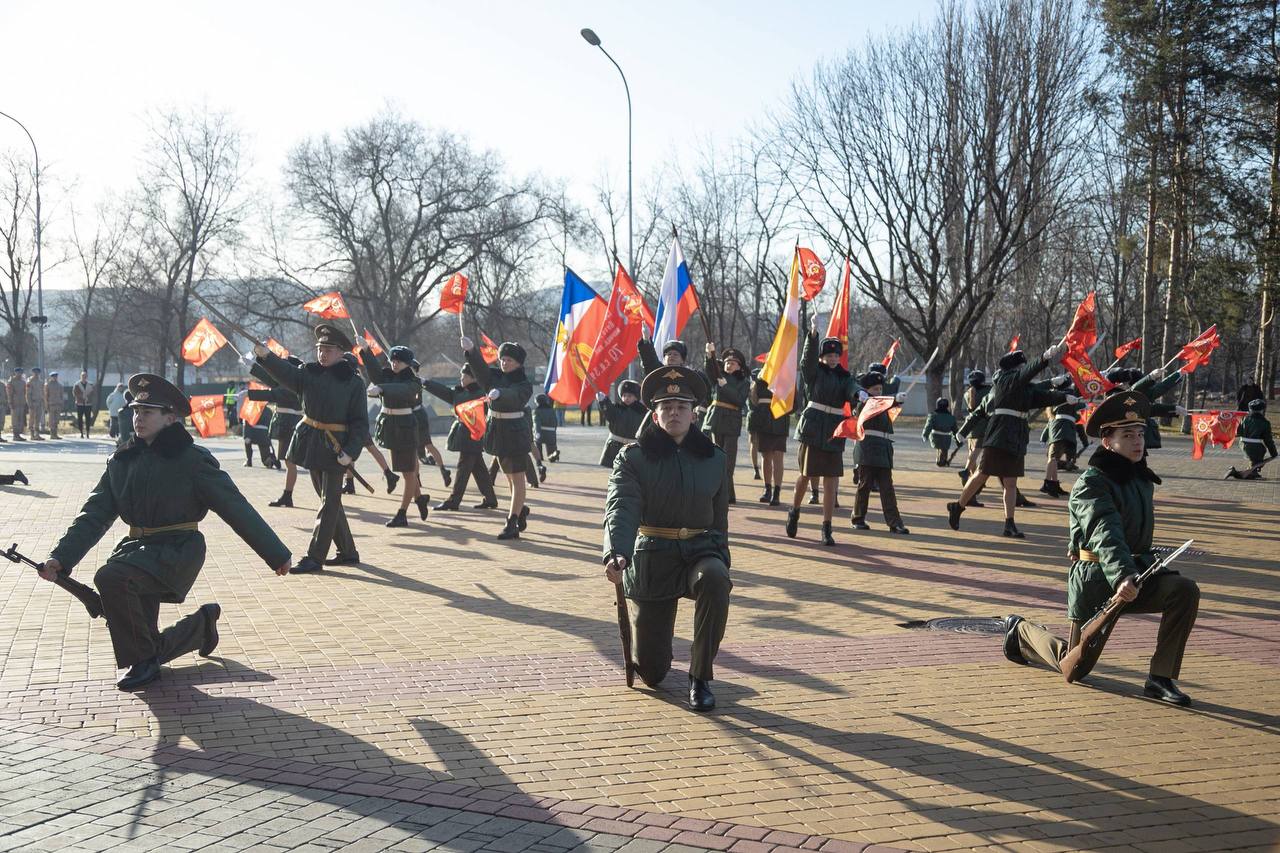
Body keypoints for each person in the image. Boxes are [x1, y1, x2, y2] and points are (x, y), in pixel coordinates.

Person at [37, 373, 291, 691]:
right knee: (145, 637)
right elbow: (94, 515)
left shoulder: (192, 460)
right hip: (137, 550)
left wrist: (276, 553)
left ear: (170, 418)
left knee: (111, 577)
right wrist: (60, 558)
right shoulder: (122, 460)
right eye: (135, 411)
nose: (138, 418)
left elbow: (234, 507)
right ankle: (199, 628)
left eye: (147, 412)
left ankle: (143, 665)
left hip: (177, 549)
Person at [1002, 390, 1200, 706]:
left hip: (1136, 576)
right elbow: (1103, 530)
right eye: (1127, 435)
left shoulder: (1141, 479)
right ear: (1107, 441)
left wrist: (1131, 572)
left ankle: (1160, 677)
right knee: (1074, 668)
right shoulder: (1092, 482)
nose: (1138, 441)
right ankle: (1021, 631)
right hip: (1098, 583)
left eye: (1140, 433)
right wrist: (1121, 575)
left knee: (1184, 590)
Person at [603, 365, 730, 712]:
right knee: (654, 673)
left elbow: (719, 521)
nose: (675, 413)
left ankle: (700, 677)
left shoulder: (715, 459)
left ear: (694, 413)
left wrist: (722, 557)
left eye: (682, 407)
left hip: (699, 552)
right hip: (652, 557)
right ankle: (657, 658)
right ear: (655, 415)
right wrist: (617, 552)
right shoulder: (634, 458)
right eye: (667, 407)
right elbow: (621, 508)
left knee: (716, 579)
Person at [253, 324, 370, 574]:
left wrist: (351, 451)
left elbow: (360, 423)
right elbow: (286, 374)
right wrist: (266, 357)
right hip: (311, 441)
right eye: (320, 348)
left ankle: (315, 557)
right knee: (329, 500)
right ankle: (348, 552)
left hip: (335, 446)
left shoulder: (353, 382)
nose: (322, 353)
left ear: (341, 352)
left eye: (328, 349)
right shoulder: (309, 372)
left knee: (329, 502)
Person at [948, 344, 1073, 538]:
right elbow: (979, 412)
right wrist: (1044, 358)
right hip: (999, 434)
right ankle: (958, 506)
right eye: (1020, 367)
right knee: (982, 474)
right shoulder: (1006, 381)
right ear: (1013, 369)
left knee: (1011, 483)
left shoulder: (1018, 388)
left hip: (1016, 437)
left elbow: (1039, 395)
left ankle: (1009, 524)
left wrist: (1064, 396)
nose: (1022, 370)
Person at [785, 322, 862, 546]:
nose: (832, 358)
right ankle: (794, 511)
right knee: (806, 476)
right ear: (822, 357)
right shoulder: (814, 373)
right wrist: (812, 335)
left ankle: (827, 528)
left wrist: (860, 395)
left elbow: (852, 388)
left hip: (833, 431)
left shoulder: (845, 377)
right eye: (828, 355)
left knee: (831, 482)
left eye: (836, 355)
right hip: (812, 428)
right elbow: (806, 361)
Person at [463, 336, 533, 540]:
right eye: (502, 359)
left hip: (515, 432)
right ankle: (519, 510)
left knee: (518, 477)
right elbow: (480, 370)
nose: (504, 363)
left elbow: (516, 395)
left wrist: (500, 394)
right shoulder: (494, 377)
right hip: (498, 432)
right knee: (510, 476)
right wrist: (471, 352)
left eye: (509, 360)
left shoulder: (523, 383)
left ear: (519, 363)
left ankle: (512, 522)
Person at [367, 345, 431, 527]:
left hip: (405, 429)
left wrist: (382, 389)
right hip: (392, 428)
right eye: (392, 360)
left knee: (409, 473)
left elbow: (403, 390)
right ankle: (419, 498)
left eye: (399, 361)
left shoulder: (413, 381)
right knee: (406, 470)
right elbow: (374, 373)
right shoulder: (388, 376)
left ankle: (402, 514)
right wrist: (365, 351)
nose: (394, 364)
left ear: (407, 363)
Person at [422, 363, 499, 510]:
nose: (461, 379)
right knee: (479, 468)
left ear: (473, 378)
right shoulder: (465, 392)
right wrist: (426, 383)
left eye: (463, 376)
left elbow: (453, 396)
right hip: (469, 434)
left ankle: (454, 500)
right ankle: (490, 499)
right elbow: (444, 392)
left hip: (472, 434)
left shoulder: (478, 393)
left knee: (463, 468)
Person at [850, 371, 909, 535]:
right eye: (875, 389)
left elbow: (885, 406)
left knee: (887, 487)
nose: (878, 392)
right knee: (865, 485)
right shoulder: (864, 402)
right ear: (866, 390)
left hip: (882, 448)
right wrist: (894, 399)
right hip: (867, 448)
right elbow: (876, 404)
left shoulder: (882, 403)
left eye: (880, 389)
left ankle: (894, 523)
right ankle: (858, 518)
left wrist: (897, 403)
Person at [249, 356, 305, 508]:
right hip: (288, 424)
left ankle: (289, 496)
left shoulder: (294, 386)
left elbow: (275, 393)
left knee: (292, 463)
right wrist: (252, 366)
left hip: (290, 425)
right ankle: (287, 495)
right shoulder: (291, 382)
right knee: (289, 462)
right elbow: (272, 380)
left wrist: (249, 395)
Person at [702, 344, 750, 505]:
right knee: (715, 457)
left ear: (739, 366)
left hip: (731, 422)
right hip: (716, 420)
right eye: (727, 362)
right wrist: (709, 355)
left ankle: (727, 494)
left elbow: (739, 400)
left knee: (728, 461)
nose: (729, 365)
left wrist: (726, 387)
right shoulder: (718, 376)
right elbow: (710, 370)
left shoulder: (743, 382)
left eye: (733, 363)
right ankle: (722, 493)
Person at [748, 367, 789, 505]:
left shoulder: (786, 380)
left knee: (778, 457)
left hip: (779, 421)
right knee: (766, 457)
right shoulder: (759, 381)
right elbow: (753, 401)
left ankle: (777, 491)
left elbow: (794, 404)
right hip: (764, 422)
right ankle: (767, 489)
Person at [1039, 399, 1089, 496]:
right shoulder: (1063, 403)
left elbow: (1048, 426)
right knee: (1053, 460)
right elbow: (1074, 404)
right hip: (1061, 435)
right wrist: (1084, 404)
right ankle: (1047, 484)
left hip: (1060, 436)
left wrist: (1043, 439)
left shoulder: (1055, 410)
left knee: (1054, 460)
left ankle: (1054, 484)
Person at [597, 380, 645, 468]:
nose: (626, 398)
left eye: (630, 396)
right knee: (616, 470)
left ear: (636, 397)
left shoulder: (642, 411)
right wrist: (603, 401)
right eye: (624, 395)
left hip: (634, 448)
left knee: (633, 470)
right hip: (615, 447)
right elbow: (608, 411)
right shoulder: (617, 409)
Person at [1226, 397, 1277, 480]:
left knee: (1254, 459)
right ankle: (1250, 472)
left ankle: (1250, 472)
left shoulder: (1244, 418)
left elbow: (1239, 432)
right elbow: (1268, 440)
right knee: (1258, 457)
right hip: (1255, 446)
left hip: (1242, 444)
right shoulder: (1265, 422)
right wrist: (1273, 452)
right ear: (1262, 410)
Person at [241, 401, 278, 469]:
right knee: (265, 456)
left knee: (247, 443)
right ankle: (268, 460)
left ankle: (249, 461)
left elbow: (247, 422)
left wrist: (246, 435)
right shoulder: (269, 411)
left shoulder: (251, 409)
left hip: (253, 433)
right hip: (264, 435)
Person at [922, 397, 958, 467]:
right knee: (944, 447)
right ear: (947, 406)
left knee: (939, 446)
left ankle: (940, 459)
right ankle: (943, 458)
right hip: (946, 438)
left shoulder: (933, 416)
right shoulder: (951, 417)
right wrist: (958, 440)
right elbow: (955, 430)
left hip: (935, 437)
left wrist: (925, 435)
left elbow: (928, 426)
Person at [534, 394, 559, 463]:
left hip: (541, 432)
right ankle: (552, 455)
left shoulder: (537, 411)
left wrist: (537, 433)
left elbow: (537, 423)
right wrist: (554, 431)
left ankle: (540, 457)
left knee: (537, 443)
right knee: (551, 446)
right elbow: (555, 422)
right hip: (551, 432)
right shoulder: (551, 410)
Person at [73, 371, 94, 438]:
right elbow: (75, 393)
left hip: (88, 404)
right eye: (82, 376)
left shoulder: (90, 385)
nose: (84, 377)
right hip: (80, 404)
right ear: (81, 377)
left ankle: (87, 432)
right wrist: (82, 396)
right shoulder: (77, 385)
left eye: (85, 376)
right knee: (80, 419)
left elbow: (93, 393)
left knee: (88, 418)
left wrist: (88, 397)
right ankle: (81, 432)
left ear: (86, 377)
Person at [27, 367, 45, 440]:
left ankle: (37, 434)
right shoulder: (30, 382)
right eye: (35, 372)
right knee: (32, 418)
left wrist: (43, 402)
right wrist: (29, 403)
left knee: (38, 419)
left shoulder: (41, 382)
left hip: (39, 402)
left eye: (37, 372)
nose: (36, 374)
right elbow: (28, 394)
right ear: (33, 373)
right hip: (33, 402)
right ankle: (32, 434)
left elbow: (42, 392)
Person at [44, 371, 64, 439]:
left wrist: (62, 403)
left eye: (56, 376)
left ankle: (56, 434)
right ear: (51, 377)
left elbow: (61, 395)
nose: (55, 378)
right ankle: (52, 434)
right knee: (51, 420)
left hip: (58, 404)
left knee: (56, 420)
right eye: (53, 376)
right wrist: (46, 405)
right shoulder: (48, 385)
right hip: (51, 404)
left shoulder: (59, 385)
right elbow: (46, 396)